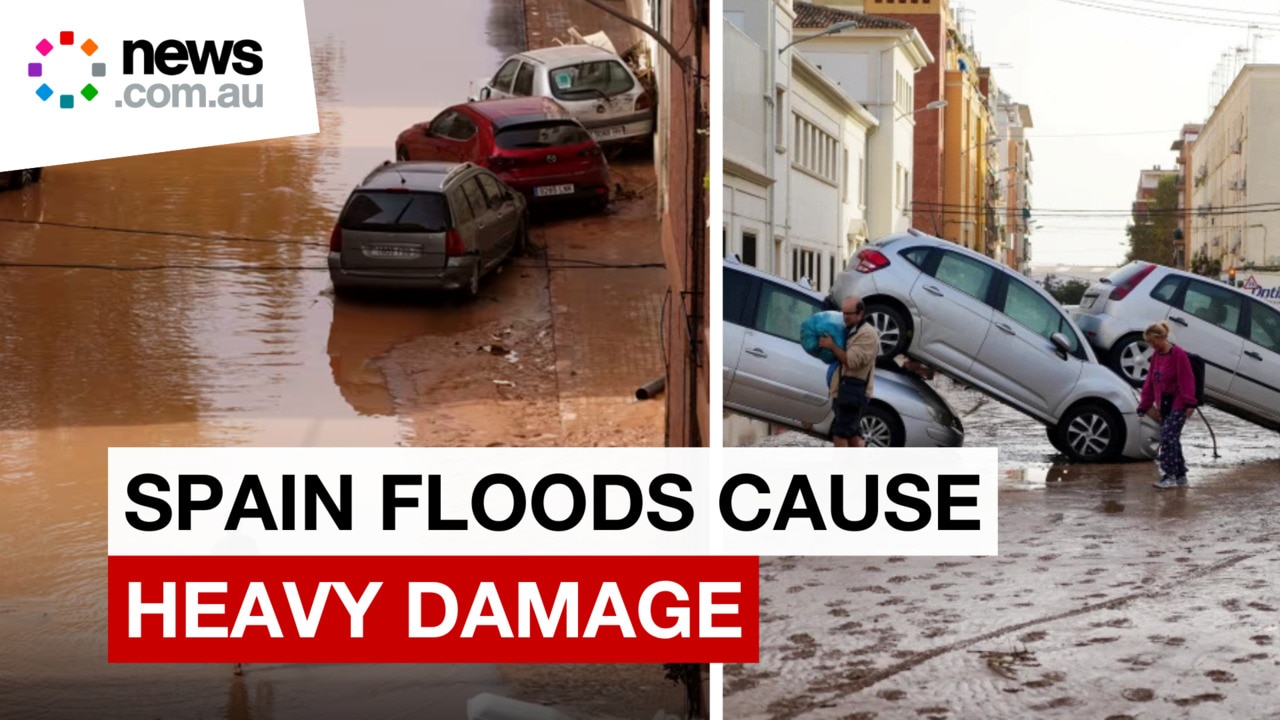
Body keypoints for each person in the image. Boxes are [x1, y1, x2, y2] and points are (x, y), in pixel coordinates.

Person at [1135, 320, 1197, 488]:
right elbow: (1150, 382)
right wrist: (1144, 405)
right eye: (1149, 342)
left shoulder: (1178, 355)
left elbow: (1187, 380)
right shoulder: (1156, 356)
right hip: (1164, 405)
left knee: (1168, 437)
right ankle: (1180, 475)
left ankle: (1168, 475)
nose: (1151, 345)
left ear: (1161, 338)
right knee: (1172, 439)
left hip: (1179, 403)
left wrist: (1190, 403)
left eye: (1152, 341)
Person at [818, 295, 879, 447]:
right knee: (852, 434)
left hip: (854, 393)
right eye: (843, 313)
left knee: (839, 434)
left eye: (848, 314)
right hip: (844, 391)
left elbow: (851, 361)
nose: (844, 317)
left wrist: (831, 346)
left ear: (860, 313)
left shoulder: (867, 335)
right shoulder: (851, 329)